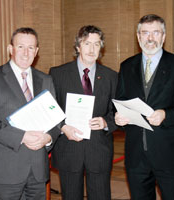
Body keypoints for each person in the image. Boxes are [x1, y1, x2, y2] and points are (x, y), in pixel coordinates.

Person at [115, 14, 174, 200]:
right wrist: (119, 117)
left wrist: (166, 114)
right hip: (135, 154)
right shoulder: (127, 66)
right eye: (145, 33)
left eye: (155, 32)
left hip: (167, 153)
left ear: (163, 36)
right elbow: (119, 101)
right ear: (138, 36)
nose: (150, 38)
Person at [0, 27, 60, 199]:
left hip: (38, 169)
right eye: (20, 46)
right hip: (6, 169)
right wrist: (22, 136)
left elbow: (56, 120)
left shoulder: (46, 80)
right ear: (10, 49)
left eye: (31, 48)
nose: (25, 53)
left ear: (36, 51)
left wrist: (48, 138)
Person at [49, 25, 118, 200]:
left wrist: (106, 123)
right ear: (78, 46)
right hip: (69, 149)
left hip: (99, 150)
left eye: (96, 44)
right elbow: (51, 109)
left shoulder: (111, 76)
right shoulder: (57, 74)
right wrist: (62, 127)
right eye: (87, 44)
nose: (91, 49)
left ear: (101, 48)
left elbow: (116, 112)